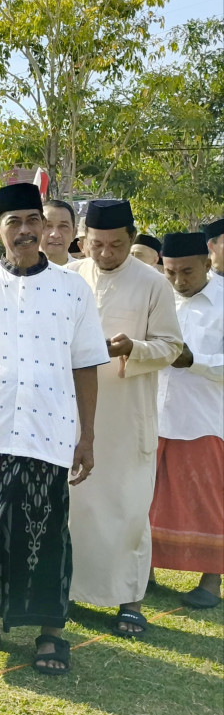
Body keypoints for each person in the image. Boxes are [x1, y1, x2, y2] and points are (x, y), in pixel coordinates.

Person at [0, 181, 108, 676]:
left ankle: (51, 632)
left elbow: (86, 365)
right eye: (15, 222)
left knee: (46, 528)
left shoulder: (73, 287)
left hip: (48, 427)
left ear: (47, 227)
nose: (28, 231)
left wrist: (88, 435)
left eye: (35, 221)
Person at [67, 199, 183, 637]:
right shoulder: (70, 277)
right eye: (97, 244)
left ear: (132, 239)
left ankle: (130, 601)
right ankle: (72, 589)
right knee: (77, 508)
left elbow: (171, 346)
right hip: (76, 409)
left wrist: (133, 346)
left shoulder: (154, 284)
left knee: (128, 506)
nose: (106, 253)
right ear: (84, 241)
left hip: (128, 410)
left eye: (116, 244)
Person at [149, 231, 224, 609]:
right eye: (171, 272)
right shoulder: (159, 299)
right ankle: (143, 573)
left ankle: (211, 583)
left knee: (209, 501)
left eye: (188, 272)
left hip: (204, 420)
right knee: (146, 498)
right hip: (153, 416)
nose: (179, 281)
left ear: (208, 263)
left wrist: (194, 362)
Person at [41, 199, 79, 266]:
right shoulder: (21, 272)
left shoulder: (84, 273)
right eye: (47, 226)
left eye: (63, 226)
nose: (55, 234)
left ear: (74, 233)